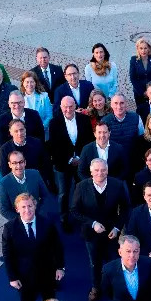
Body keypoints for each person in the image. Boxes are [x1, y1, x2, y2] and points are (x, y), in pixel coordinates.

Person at [2, 193, 65, 301]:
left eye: (30, 206)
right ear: (17, 209)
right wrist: (12, 277)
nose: (27, 210)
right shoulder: (10, 228)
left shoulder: (47, 223)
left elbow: (57, 247)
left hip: (47, 273)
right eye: (23, 207)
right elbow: (8, 255)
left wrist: (60, 267)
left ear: (35, 206)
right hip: (24, 277)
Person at [71, 158, 131, 301]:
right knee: (95, 262)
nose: (100, 173)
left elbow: (125, 209)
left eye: (103, 170)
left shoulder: (117, 185)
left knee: (113, 261)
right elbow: (74, 210)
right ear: (91, 171)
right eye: (96, 170)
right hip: (91, 234)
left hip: (112, 233)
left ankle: (113, 287)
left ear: (107, 170)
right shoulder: (81, 186)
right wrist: (92, 223)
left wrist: (117, 228)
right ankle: (96, 288)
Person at [48, 96, 94, 229]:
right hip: (63, 164)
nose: (68, 109)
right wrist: (69, 159)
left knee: (82, 190)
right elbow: (54, 147)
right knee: (63, 193)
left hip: (81, 162)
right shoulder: (54, 123)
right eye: (65, 107)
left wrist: (80, 158)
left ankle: (82, 215)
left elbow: (88, 141)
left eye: (71, 106)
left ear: (75, 105)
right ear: (61, 108)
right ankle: (64, 218)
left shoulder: (84, 120)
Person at [102, 235, 151, 301]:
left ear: (139, 251)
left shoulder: (149, 264)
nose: (132, 255)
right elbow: (108, 292)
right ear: (120, 252)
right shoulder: (109, 270)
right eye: (128, 251)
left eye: (135, 251)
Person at [0, 150, 51, 222]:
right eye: (14, 163)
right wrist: (22, 220)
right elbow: (4, 210)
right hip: (19, 222)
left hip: (39, 216)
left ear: (25, 162)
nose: (18, 166)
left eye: (21, 162)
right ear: (10, 165)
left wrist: (40, 213)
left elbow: (46, 196)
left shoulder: (35, 174)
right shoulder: (3, 184)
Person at [101, 93, 145, 175]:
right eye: (116, 103)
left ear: (126, 104)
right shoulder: (105, 121)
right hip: (113, 163)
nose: (119, 106)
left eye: (122, 103)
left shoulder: (136, 118)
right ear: (111, 105)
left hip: (133, 161)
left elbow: (142, 137)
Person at [0, 116, 49, 182]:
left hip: (37, 180)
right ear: (11, 133)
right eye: (16, 131)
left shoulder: (37, 143)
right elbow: (5, 171)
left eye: (21, 130)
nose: (19, 134)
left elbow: (45, 164)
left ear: (25, 130)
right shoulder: (5, 149)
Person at [19, 70, 53, 140]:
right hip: (25, 135)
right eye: (27, 82)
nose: (29, 84)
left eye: (32, 82)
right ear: (23, 83)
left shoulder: (44, 96)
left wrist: (41, 126)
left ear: (35, 83)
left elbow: (49, 115)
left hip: (41, 133)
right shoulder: (19, 98)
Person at [129, 37, 151, 105]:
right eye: (141, 48)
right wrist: (142, 92)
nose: (143, 51)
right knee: (141, 111)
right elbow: (133, 78)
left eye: (145, 48)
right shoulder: (133, 60)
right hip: (139, 92)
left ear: (149, 49)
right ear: (138, 49)